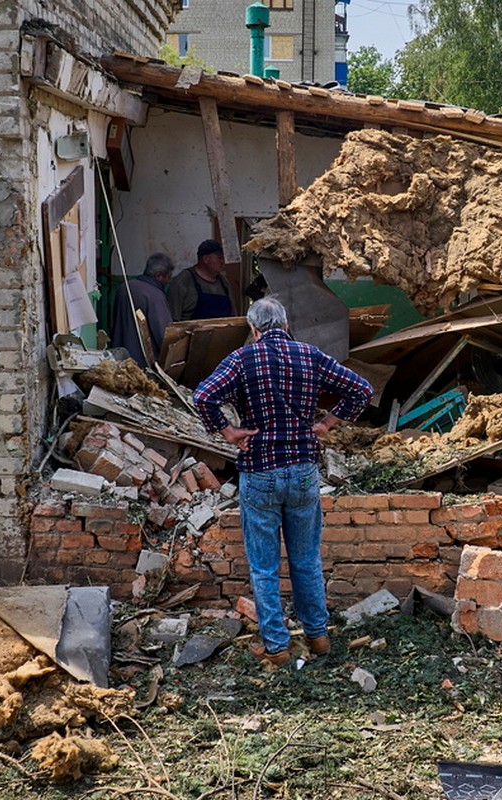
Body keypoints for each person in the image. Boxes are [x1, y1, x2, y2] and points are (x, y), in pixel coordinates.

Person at [192, 297, 373, 666]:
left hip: (259, 471)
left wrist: (228, 432)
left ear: (254, 329)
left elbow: (203, 396)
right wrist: (325, 424)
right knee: (306, 559)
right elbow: (361, 389)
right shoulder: (309, 354)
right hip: (303, 471)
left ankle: (276, 647)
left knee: (264, 565)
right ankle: (318, 636)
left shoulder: (242, 359)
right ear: (286, 325)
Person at [110, 252, 175, 369]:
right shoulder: (155, 296)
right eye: (168, 277)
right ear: (159, 276)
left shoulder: (124, 287)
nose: (169, 281)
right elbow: (164, 335)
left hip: (118, 357)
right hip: (142, 363)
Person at [169, 239, 234, 321]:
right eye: (219, 258)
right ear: (206, 259)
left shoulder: (224, 283)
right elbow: (172, 321)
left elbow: (233, 317)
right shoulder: (183, 281)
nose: (222, 261)